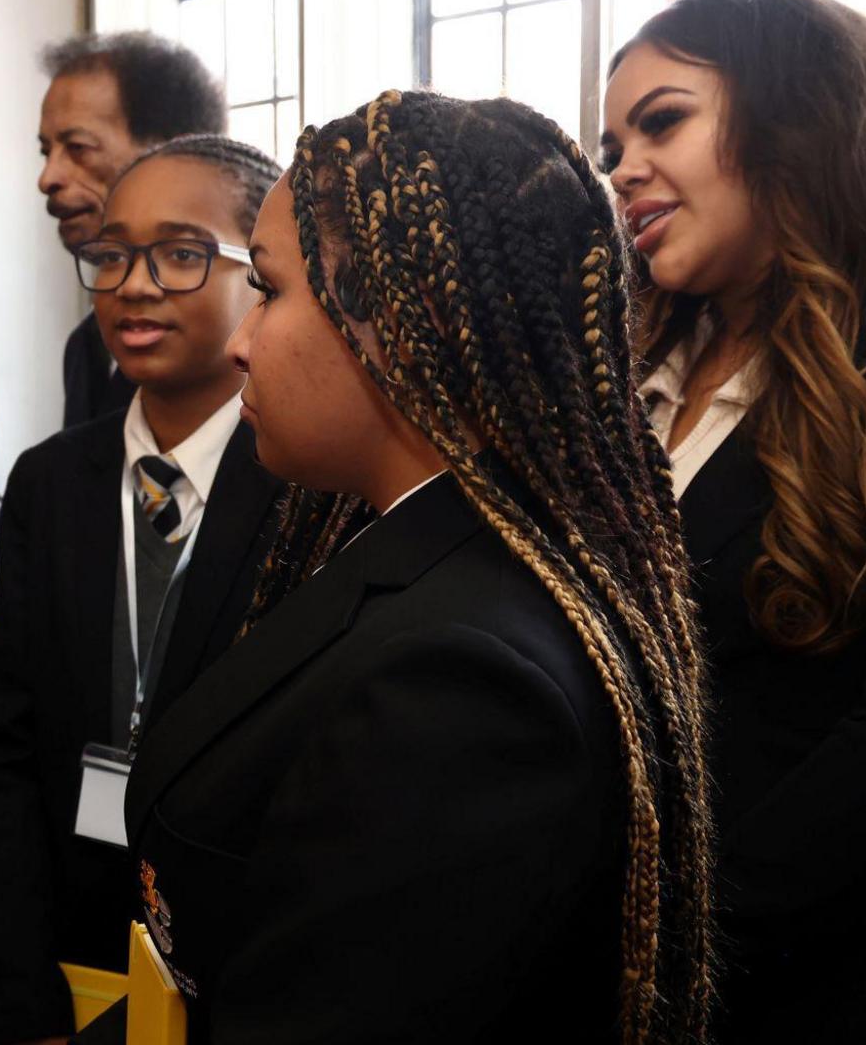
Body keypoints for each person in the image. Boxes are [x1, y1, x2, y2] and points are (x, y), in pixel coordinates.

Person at [81, 91, 717, 1044]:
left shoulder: (463, 675)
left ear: (396, 321)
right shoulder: (402, 548)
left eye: (270, 288)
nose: (244, 342)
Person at [601, 0, 866, 1042]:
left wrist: (674, 930)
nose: (620, 166)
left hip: (826, 985)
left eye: (660, 120)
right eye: (608, 144)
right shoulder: (622, 376)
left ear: (795, 120)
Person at [0, 135, 318, 1044]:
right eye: (113, 253)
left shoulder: (307, 493)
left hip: (228, 973)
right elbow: (4, 751)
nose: (135, 283)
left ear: (263, 276)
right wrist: (18, 990)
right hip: (64, 945)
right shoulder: (51, 483)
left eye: (182, 253)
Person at [38, 32, 225, 430]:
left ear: (176, 150)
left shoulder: (251, 351)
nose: (48, 177)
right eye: (46, 151)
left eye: (78, 148)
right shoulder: (87, 347)